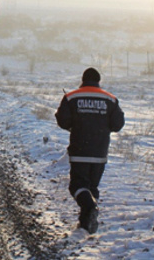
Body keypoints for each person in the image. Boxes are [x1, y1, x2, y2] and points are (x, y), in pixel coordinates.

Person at [55, 67, 125, 233]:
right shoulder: (110, 99)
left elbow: (62, 120)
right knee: (92, 188)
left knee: (77, 186)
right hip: (100, 151)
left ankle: (90, 208)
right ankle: (86, 224)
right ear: (98, 80)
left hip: (79, 149)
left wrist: (75, 125)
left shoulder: (71, 97)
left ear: (83, 79)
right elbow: (118, 124)